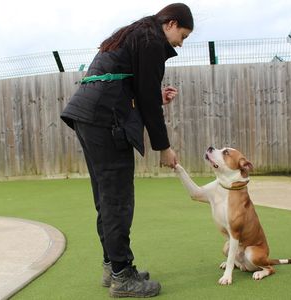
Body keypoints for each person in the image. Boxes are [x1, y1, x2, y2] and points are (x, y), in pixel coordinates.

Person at [60, 3, 193, 298]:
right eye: (182, 36)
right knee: (118, 199)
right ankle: (123, 276)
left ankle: (113, 266)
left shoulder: (137, 34)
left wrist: (155, 96)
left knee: (106, 197)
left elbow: (132, 86)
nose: (180, 44)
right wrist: (164, 147)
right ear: (170, 24)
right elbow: (145, 99)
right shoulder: (151, 41)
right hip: (105, 119)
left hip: (90, 115)